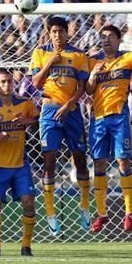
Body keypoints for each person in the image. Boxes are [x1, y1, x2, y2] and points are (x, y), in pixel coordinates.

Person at [86, 25, 132, 233]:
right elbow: (88, 90)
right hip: (98, 118)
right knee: (99, 164)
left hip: (119, 117)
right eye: (103, 37)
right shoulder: (93, 61)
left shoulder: (128, 57)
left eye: (110, 36)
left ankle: (129, 212)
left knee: (123, 161)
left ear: (118, 40)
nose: (106, 40)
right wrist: (92, 76)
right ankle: (101, 214)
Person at [28, 16, 91, 235]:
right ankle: (51, 213)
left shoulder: (78, 54)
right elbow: (35, 83)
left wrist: (70, 104)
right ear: (49, 33)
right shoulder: (40, 53)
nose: (57, 35)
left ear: (67, 32)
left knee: (80, 158)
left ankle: (84, 207)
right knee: (49, 159)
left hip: (72, 111)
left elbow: (82, 87)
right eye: (53, 31)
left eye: (61, 31)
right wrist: (49, 63)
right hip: (49, 110)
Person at [0, 69, 39, 256]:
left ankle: (26, 246)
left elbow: (38, 123)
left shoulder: (25, 104)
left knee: (29, 202)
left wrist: (27, 120)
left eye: (9, 82)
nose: (7, 85)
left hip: (20, 164)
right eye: (3, 82)